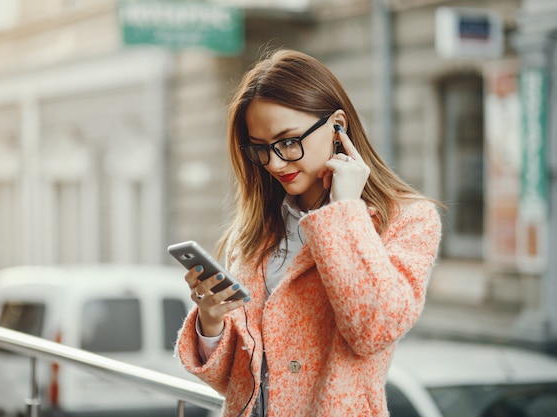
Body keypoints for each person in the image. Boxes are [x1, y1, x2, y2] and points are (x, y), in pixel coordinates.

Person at [175, 49, 442, 417]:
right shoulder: (258, 230)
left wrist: (344, 212)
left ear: (337, 126)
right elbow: (240, 382)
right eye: (261, 149)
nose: (274, 163)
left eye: (287, 141)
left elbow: (374, 328)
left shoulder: (407, 219)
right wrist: (211, 319)